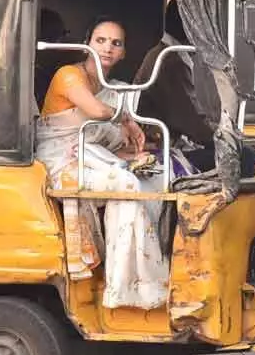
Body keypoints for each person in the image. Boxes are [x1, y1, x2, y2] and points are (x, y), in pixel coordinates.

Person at [36, 16, 173, 310]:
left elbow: (109, 144)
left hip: (92, 157)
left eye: (116, 43)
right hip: (60, 161)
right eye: (101, 41)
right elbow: (96, 111)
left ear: (123, 52)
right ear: (87, 44)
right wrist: (125, 120)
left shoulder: (118, 90)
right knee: (126, 185)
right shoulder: (68, 75)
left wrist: (138, 155)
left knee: (157, 176)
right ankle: (121, 286)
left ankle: (144, 279)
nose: (107, 48)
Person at [134, 0, 255, 178]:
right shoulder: (170, 60)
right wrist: (250, 145)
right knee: (243, 157)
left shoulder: (172, 55)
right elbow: (196, 127)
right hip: (161, 153)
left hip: (174, 146)